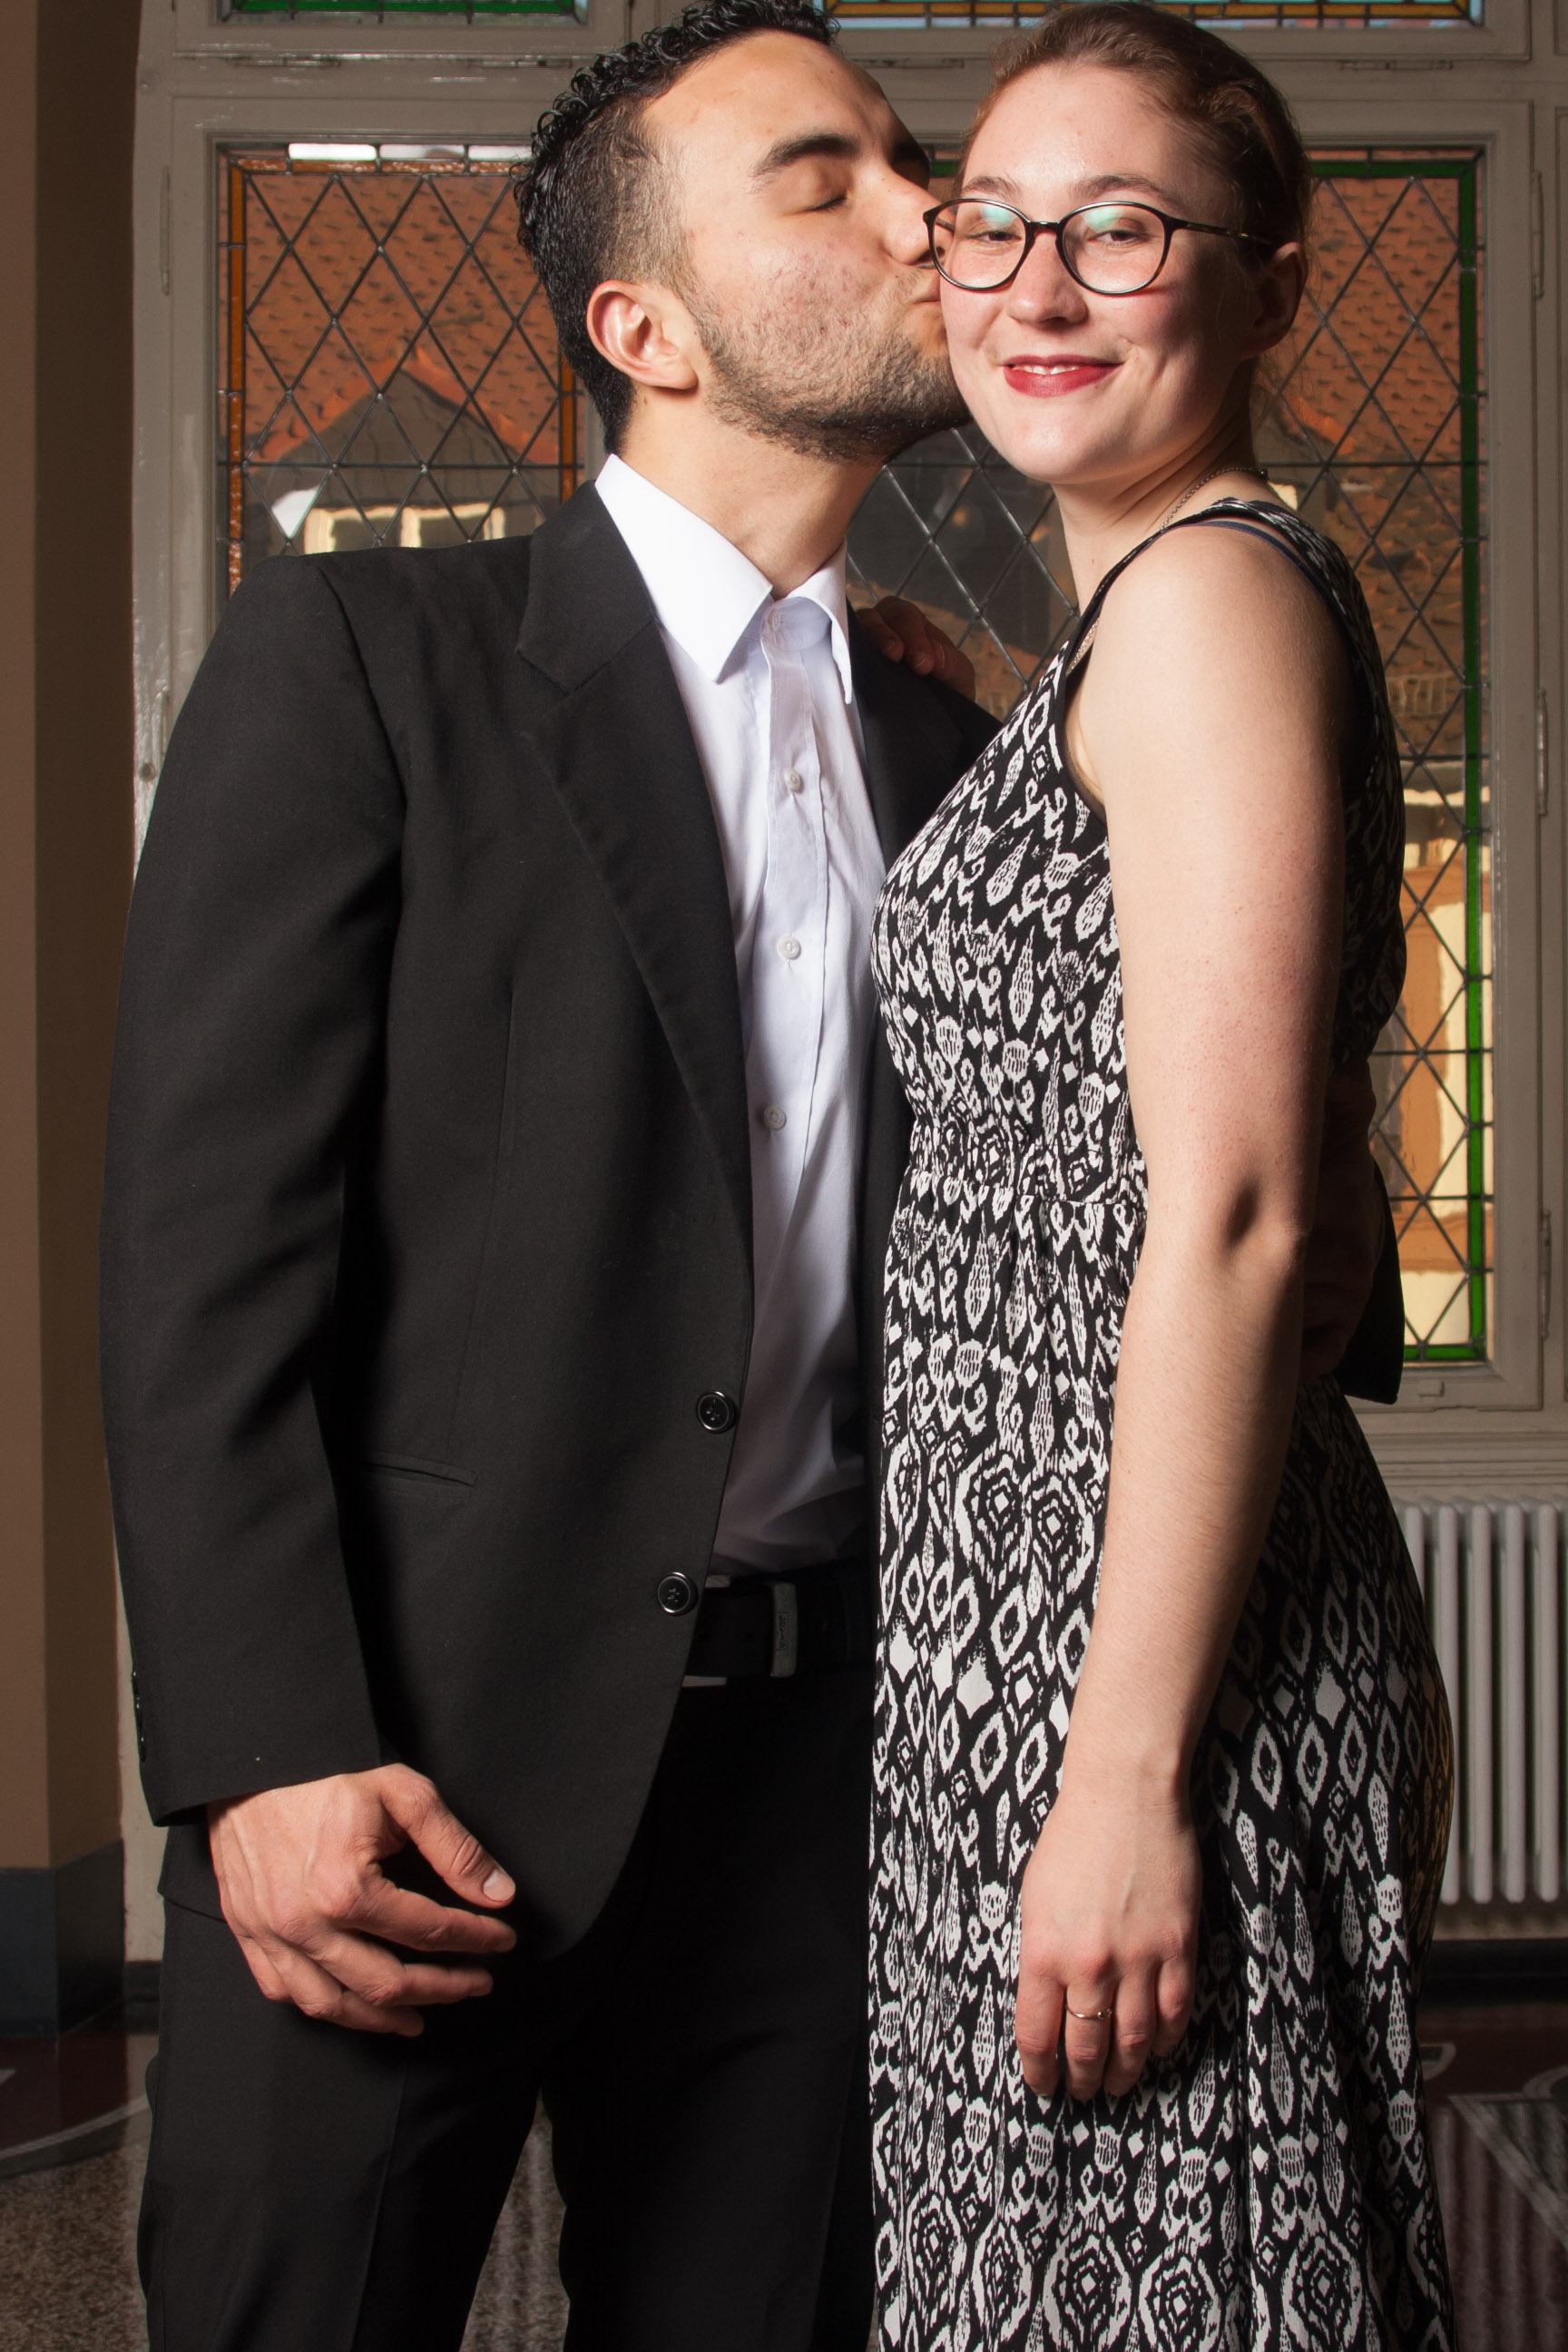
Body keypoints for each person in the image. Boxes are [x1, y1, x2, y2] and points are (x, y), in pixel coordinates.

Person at [102, 4, 1396, 2345]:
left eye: (921, 161)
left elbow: (1203, 1185)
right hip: (410, 1777)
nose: (930, 213)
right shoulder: (370, 658)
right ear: (647, 327)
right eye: (831, 178)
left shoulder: (971, 738)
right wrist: (264, 1754)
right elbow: (201, 1267)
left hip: (840, 1789)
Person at [867, 9, 1455, 2347]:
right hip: (1045, 1620)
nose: (1036, 286)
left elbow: (1233, 1217)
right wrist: (996, 685)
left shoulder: (1207, 605)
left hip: (1124, 1663)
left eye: (1121, 229)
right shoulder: (1155, 619)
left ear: (1272, 278)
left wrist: (1121, 1777)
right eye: (991, 224)